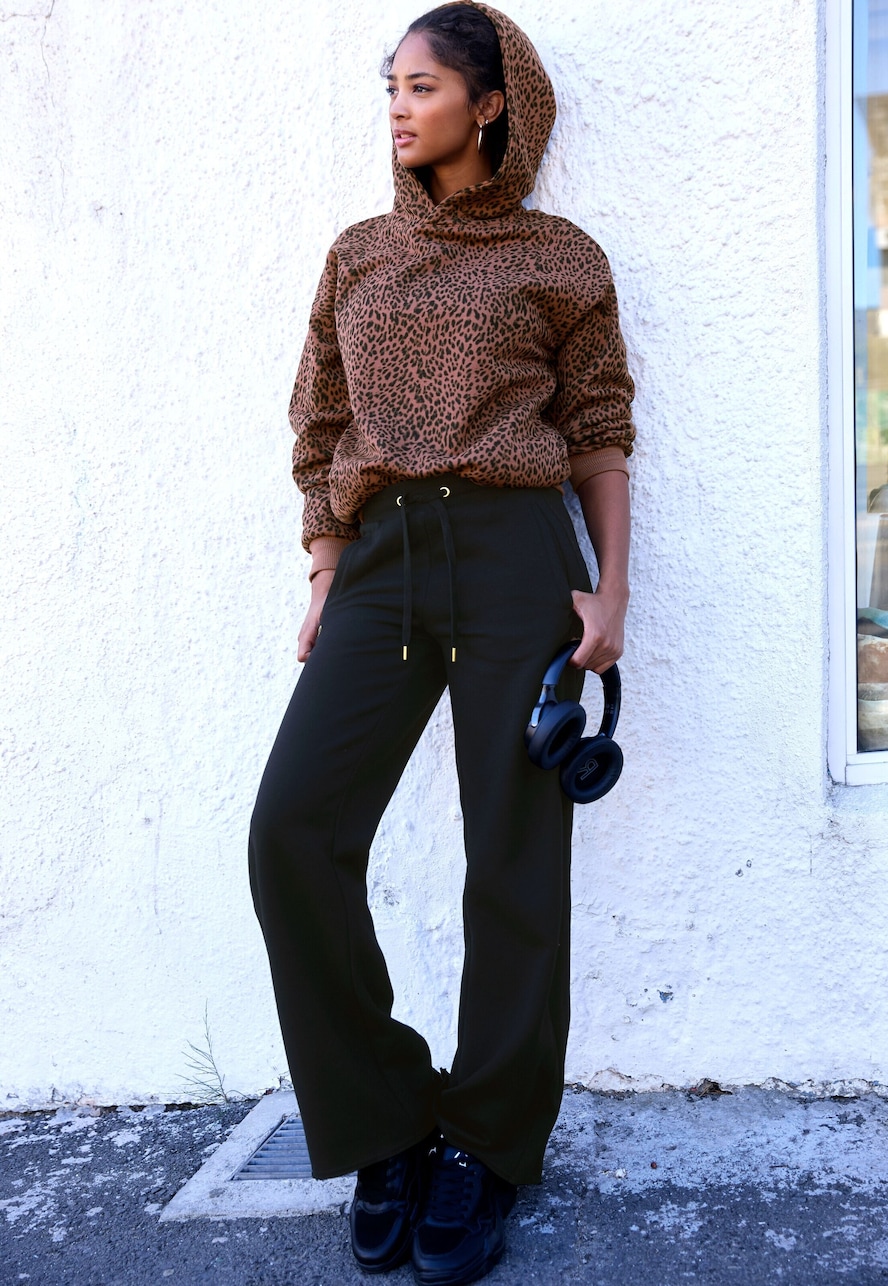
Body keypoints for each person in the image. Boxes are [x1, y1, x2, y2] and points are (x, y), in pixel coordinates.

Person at [248, 3, 634, 1282]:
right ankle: (386, 1121)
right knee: (293, 830)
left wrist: (609, 592)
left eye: (423, 85)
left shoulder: (560, 258)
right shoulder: (359, 254)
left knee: (512, 859)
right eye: (392, 86)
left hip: (518, 555)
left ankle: (489, 1139)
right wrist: (326, 571)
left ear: (492, 101)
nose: (400, 107)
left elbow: (599, 430)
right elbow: (321, 422)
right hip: (383, 561)